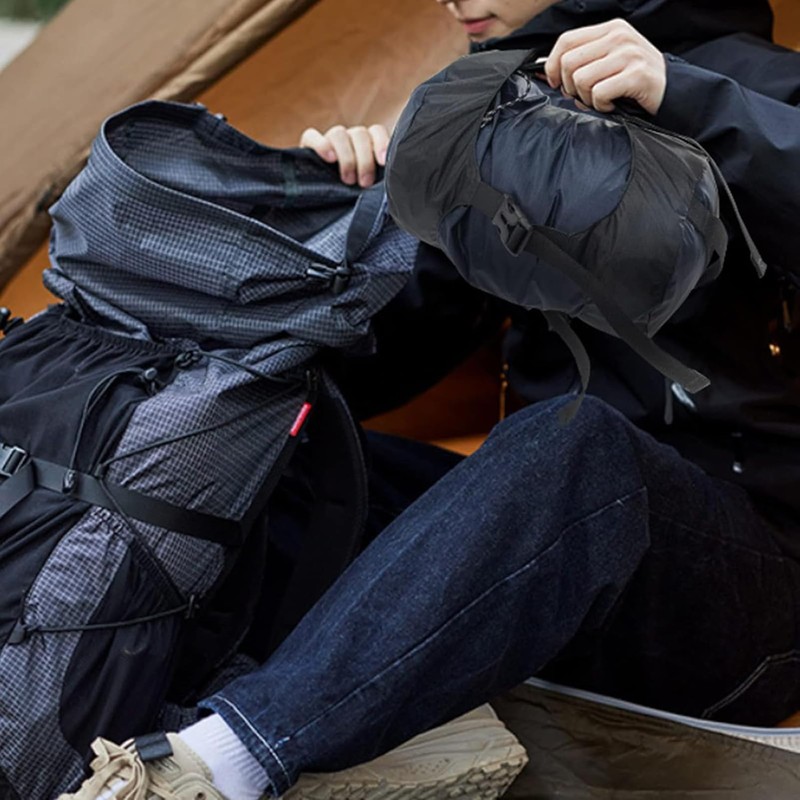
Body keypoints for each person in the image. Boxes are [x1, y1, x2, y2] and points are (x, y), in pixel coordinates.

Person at [62, 0, 800, 798]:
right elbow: (379, 365)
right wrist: (355, 218)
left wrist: (688, 97)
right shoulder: (508, 101)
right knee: (284, 449)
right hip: (546, 558)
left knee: (578, 441)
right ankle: (145, 728)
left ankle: (224, 767)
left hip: (752, 603)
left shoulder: (755, 85)